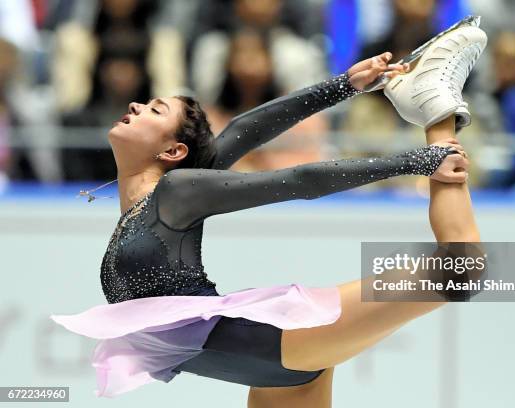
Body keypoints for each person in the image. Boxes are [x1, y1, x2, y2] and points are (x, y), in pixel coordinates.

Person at [50, 17, 487, 406]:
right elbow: (244, 129)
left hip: (278, 344)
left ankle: (435, 106)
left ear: (173, 150)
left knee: (461, 269)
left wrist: (416, 161)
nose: (135, 106)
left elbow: (300, 181)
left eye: (152, 109)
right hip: (271, 365)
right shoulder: (155, 199)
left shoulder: (178, 191)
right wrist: (343, 85)